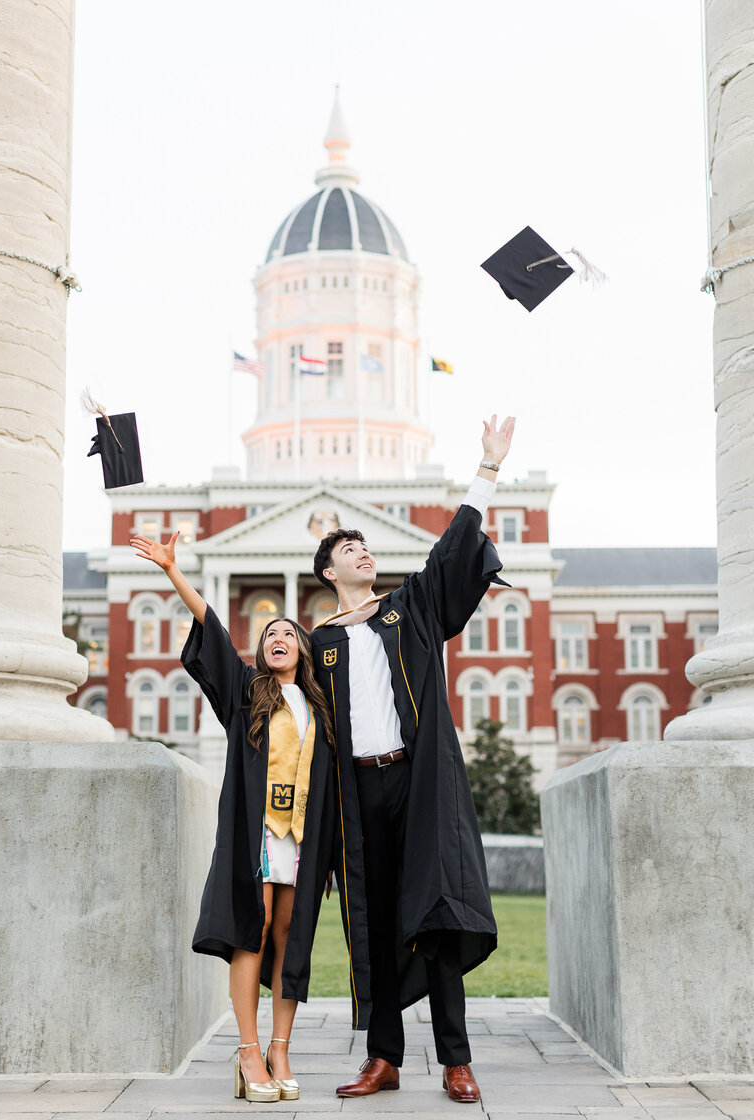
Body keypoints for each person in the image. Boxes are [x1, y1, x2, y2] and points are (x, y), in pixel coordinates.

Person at [310, 414, 515, 1104]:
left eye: (366, 547)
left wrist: (486, 468)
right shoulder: (321, 644)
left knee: (435, 915)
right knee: (373, 926)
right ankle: (384, 1058)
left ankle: (456, 1060)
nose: (364, 554)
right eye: (349, 549)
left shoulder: (411, 609)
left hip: (416, 780)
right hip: (356, 795)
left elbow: (455, 550)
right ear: (328, 570)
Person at [130, 530, 337, 1105]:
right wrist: (175, 572)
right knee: (256, 928)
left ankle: (280, 1047)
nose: (278, 638)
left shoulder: (321, 706)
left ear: (303, 648)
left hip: (304, 837)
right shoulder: (248, 691)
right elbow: (214, 633)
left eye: (288, 634)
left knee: (291, 939)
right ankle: (247, 1051)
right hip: (258, 835)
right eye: (269, 634)